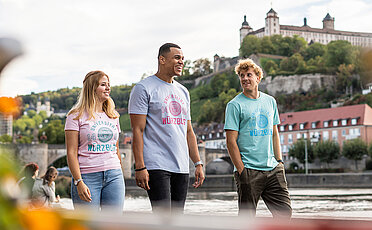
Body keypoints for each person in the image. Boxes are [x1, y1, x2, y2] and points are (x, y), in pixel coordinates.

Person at [128, 43, 205, 212]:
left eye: (183, 59)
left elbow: (188, 131)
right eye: (177, 58)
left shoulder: (184, 91)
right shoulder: (143, 88)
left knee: (177, 219)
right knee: (163, 218)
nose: (181, 62)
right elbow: (137, 131)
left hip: (181, 165)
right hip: (156, 164)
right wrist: (140, 166)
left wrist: (198, 163)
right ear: (162, 60)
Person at [224, 59, 292, 218]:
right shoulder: (234, 105)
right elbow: (230, 141)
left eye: (249, 75)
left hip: (273, 169)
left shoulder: (270, 101)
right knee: (247, 219)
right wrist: (241, 170)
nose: (245, 78)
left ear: (258, 78)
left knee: (285, 214)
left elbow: (275, 133)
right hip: (249, 170)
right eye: (241, 75)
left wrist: (279, 162)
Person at [65, 70, 125, 212]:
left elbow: (116, 149)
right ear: (92, 88)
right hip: (87, 177)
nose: (108, 88)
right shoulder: (75, 116)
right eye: (103, 85)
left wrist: (119, 170)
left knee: (113, 225)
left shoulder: (113, 115)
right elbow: (71, 152)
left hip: (114, 175)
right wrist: (79, 181)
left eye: (108, 85)